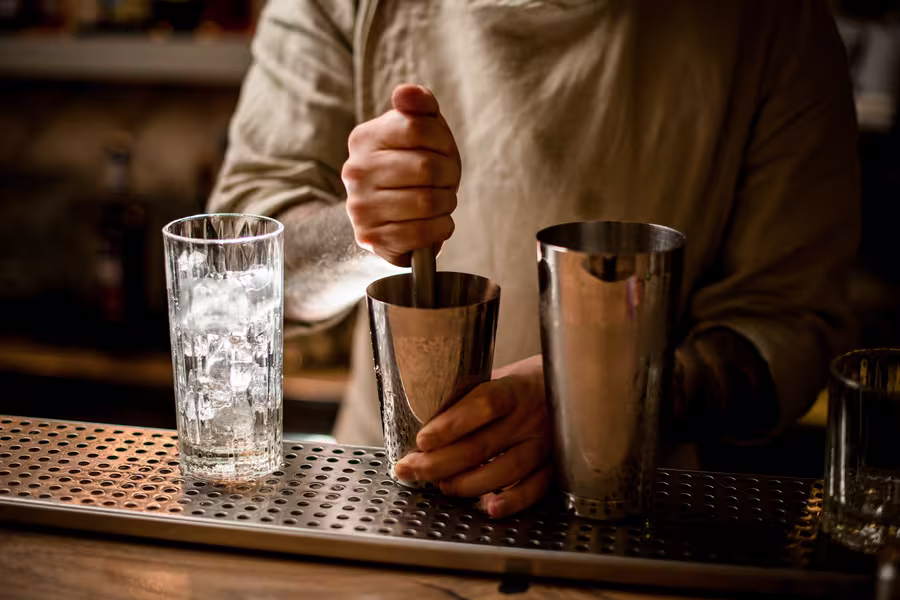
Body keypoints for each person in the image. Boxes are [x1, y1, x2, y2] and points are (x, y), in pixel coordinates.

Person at [209, 0, 861, 518]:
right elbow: (235, 279)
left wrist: (597, 401)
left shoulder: (775, 19)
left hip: (637, 521)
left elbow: (789, 328)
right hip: (386, 504)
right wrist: (363, 236)